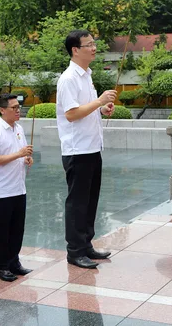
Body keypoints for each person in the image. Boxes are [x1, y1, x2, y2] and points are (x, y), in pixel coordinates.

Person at [56, 30, 116, 269]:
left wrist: (101, 108)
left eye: (94, 43)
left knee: (90, 200)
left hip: (92, 147)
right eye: (89, 44)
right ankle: (75, 251)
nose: (94, 48)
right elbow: (71, 114)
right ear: (75, 50)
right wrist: (99, 101)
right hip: (76, 150)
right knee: (77, 202)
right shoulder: (69, 78)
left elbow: (85, 108)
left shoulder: (86, 75)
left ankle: (86, 245)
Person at [0, 94, 34, 282]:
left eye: (18, 106)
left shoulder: (18, 128)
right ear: (2, 110)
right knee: (2, 229)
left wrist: (26, 157)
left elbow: (20, 154)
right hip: (3, 189)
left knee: (17, 228)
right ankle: (2, 266)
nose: (17, 110)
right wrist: (19, 153)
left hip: (19, 187)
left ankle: (14, 261)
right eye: (13, 107)